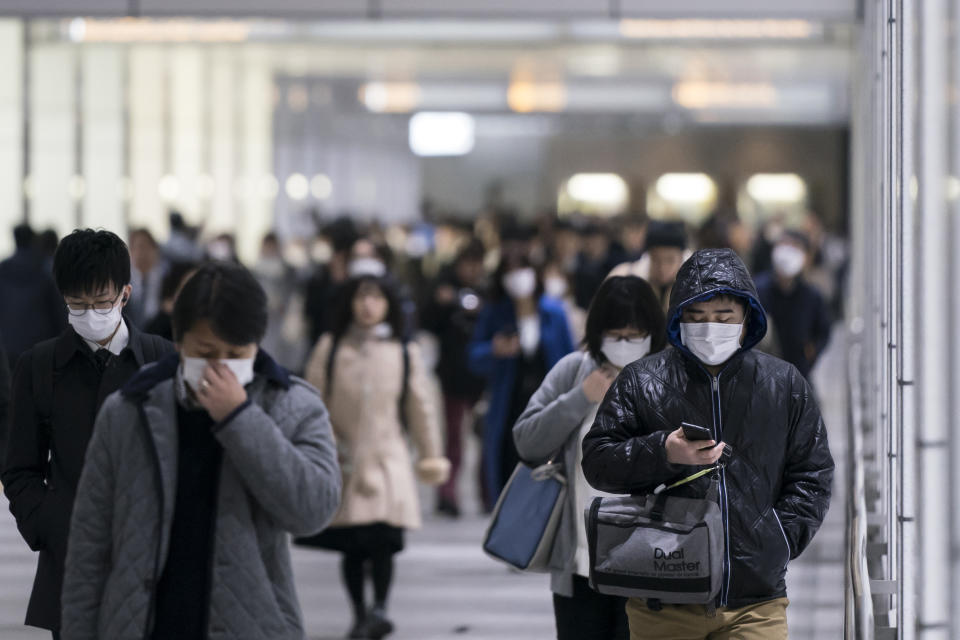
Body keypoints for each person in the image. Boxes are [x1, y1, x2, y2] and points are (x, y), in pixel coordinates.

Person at [61, 261, 341, 640]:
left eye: (236, 354)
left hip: (251, 624)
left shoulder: (293, 406)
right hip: (143, 623)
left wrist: (240, 418)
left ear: (257, 346)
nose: (220, 366)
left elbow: (314, 511)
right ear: (179, 342)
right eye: (206, 352)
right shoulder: (128, 411)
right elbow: (89, 545)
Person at [582, 248, 834, 640]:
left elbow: (812, 472)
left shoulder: (783, 384)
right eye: (696, 317)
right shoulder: (641, 381)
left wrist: (778, 539)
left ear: (746, 316)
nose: (709, 327)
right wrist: (662, 452)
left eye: (722, 317)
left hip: (756, 601)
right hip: (663, 596)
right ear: (678, 318)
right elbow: (597, 460)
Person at [2, 229, 173, 638]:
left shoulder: (161, 360)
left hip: (151, 561)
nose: (90, 314)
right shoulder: (40, 366)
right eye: (77, 305)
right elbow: (20, 468)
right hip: (72, 560)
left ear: (125, 296)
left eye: (101, 303)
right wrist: (51, 524)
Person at [513, 276, 667, 640]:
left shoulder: (671, 378)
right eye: (616, 334)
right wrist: (580, 398)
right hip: (580, 563)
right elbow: (526, 441)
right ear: (598, 332)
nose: (625, 344)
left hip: (652, 561)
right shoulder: (573, 371)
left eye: (635, 334)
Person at [299, 274, 449, 639]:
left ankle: (380, 607)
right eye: (362, 297)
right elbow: (311, 402)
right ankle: (360, 613)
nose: (369, 305)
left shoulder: (403, 351)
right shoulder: (331, 347)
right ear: (350, 302)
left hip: (389, 460)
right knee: (353, 544)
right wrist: (323, 444)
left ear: (389, 305)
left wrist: (430, 454)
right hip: (344, 460)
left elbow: (420, 408)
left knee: (384, 541)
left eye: (377, 298)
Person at [468, 254, 575, 510]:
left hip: (548, 407)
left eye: (522, 269)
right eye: (510, 270)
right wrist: (494, 350)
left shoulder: (553, 312)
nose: (517, 277)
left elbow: (570, 359)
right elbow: (473, 358)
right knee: (507, 476)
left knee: (547, 479)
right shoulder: (495, 312)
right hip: (508, 410)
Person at [422, 241, 488, 518]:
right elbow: (427, 323)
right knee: (452, 439)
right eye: (467, 264)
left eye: (476, 264)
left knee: (485, 436)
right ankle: (447, 494)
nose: (472, 270)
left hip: (482, 377)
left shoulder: (488, 293)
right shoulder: (443, 288)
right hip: (452, 374)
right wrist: (443, 304)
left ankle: (489, 493)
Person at [754, 230, 832, 380]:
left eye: (794, 246)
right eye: (783, 244)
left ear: (807, 257)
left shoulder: (812, 295)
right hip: (762, 377)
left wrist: (813, 351)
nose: (787, 252)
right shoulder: (757, 289)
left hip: (799, 375)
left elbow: (824, 331)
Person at [0, 224, 66, 370]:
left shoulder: (3, 269)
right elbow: (58, 312)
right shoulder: (45, 269)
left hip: (7, 345)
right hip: (40, 346)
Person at [608, 221, 690, 315]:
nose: (662, 268)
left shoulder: (696, 289)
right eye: (656, 260)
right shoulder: (624, 275)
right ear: (649, 256)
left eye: (670, 260)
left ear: (681, 257)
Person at [126, 228, 167, 328]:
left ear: (155, 250)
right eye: (138, 247)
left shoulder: (166, 280)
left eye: (147, 247)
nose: (142, 253)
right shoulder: (123, 282)